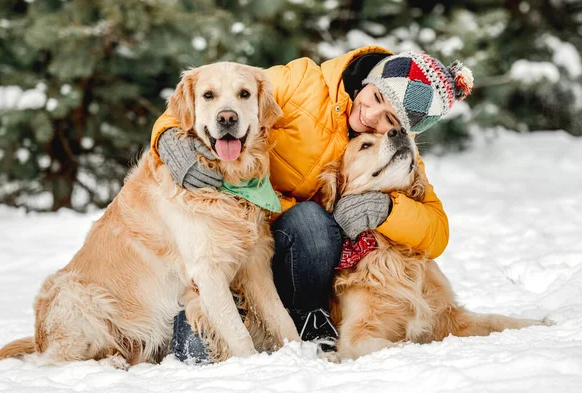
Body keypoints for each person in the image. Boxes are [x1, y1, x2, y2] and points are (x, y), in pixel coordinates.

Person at [150, 46, 474, 362]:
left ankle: (306, 317)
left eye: (389, 118)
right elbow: (222, 89)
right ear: (369, 81)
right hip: (228, 228)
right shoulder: (302, 82)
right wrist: (167, 137)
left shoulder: (392, 151)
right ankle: (205, 312)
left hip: (298, 250)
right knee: (199, 340)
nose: (371, 115)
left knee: (313, 223)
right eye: (375, 97)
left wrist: (389, 211)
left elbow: (437, 229)